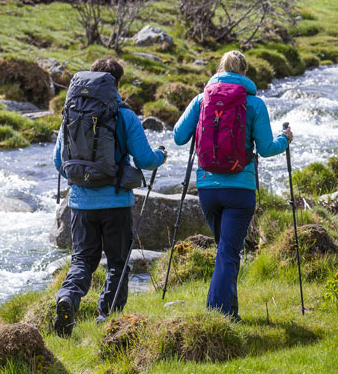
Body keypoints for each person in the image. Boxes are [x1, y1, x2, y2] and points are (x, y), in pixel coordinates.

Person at [173, 50, 292, 320]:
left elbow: (178, 136)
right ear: (245, 73)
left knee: (225, 250)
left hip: (207, 188)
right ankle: (219, 314)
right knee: (228, 251)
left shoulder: (202, 99)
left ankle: (229, 311)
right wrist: (285, 139)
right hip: (240, 190)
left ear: (219, 69)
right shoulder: (255, 104)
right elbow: (266, 148)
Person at [53, 58, 167, 337]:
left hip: (80, 203)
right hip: (116, 203)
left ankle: (68, 296)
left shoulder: (71, 112)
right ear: (117, 83)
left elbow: (59, 161)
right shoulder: (124, 115)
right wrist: (161, 156)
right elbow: (145, 159)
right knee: (118, 263)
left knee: (82, 261)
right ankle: (109, 319)